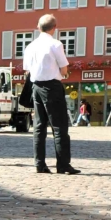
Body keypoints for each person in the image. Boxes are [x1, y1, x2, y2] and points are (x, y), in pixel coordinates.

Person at [24, 14, 78, 174]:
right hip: (52, 86)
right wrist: (63, 74)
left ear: (38, 27)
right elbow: (64, 69)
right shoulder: (55, 44)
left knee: (39, 126)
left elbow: (27, 69)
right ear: (54, 28)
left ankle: (39, 164)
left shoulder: (30, 46)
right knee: (59, 126)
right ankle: (63, 165)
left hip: (36, 86)